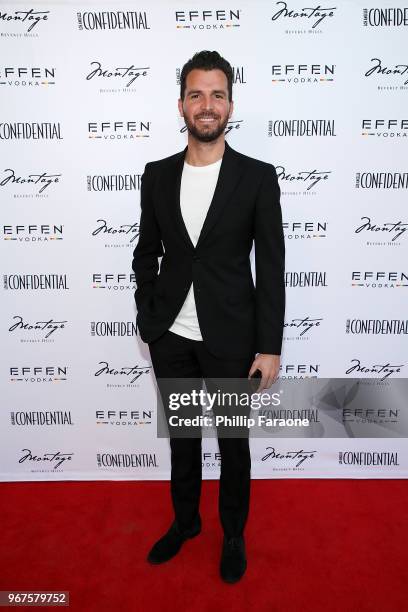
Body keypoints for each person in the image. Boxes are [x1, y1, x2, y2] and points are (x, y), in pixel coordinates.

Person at [132, 50, 285, 583]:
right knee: (182, 439)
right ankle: (185, 522)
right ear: (181, 105)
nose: (207, 105)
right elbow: (145, 251)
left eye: (217, 95)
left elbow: (271, 266)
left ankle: (234, 533)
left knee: (234, 445)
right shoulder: (155, 176)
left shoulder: (258, 178)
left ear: (230, 105)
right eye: (196, 94)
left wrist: (269, 346)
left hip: (233, 337)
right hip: (171, 333)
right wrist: (147, 311)